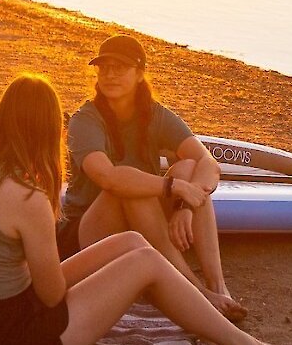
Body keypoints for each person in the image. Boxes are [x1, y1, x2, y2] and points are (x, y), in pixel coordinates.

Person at [0, 75, 292, 345]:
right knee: (144, 264)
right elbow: (50, 296)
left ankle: (203, 308)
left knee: (133, 243)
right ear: (50, 129)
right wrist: (112, 282)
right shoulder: (27, 197)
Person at [59, 35, 245, 320]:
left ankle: (218, 285)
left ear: (140, 74)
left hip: (138, 223)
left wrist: (186, 204)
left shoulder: (155, 115)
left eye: (119, 68)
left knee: (187, 168)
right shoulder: (85, 120)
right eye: (104, 67)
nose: (109, 75)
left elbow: (208, 162)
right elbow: (109, 178)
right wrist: (173, 186)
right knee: (132, 187)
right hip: (87, 232)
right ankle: (194, 292)